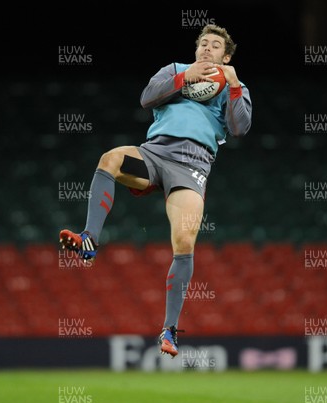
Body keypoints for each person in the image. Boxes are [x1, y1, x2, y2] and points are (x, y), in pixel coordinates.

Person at [59, 24, 252, 358]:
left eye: (215, 45)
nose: (207, 48)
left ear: (227, 55)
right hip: (153, 155)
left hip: (191, 168)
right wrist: (186, 77)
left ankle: (170, 329)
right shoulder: (175, 69)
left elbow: (240, 128)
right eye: (202, 43)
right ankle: (89, 238)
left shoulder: (234, 87)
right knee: (111, 159)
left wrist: (233, 85)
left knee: (184, 241)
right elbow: (147, 98)